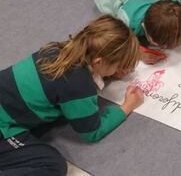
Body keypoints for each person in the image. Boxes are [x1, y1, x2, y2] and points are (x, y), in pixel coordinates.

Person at [0, 15, 143, 175]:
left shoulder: (57, 50)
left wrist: (108, 72)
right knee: (52, 164)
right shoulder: (79, 85)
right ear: (98, 62)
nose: (120, 69)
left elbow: (60, 85)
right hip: (3, 128)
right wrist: (126, 107)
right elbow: (92, 132)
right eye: (118, 65)